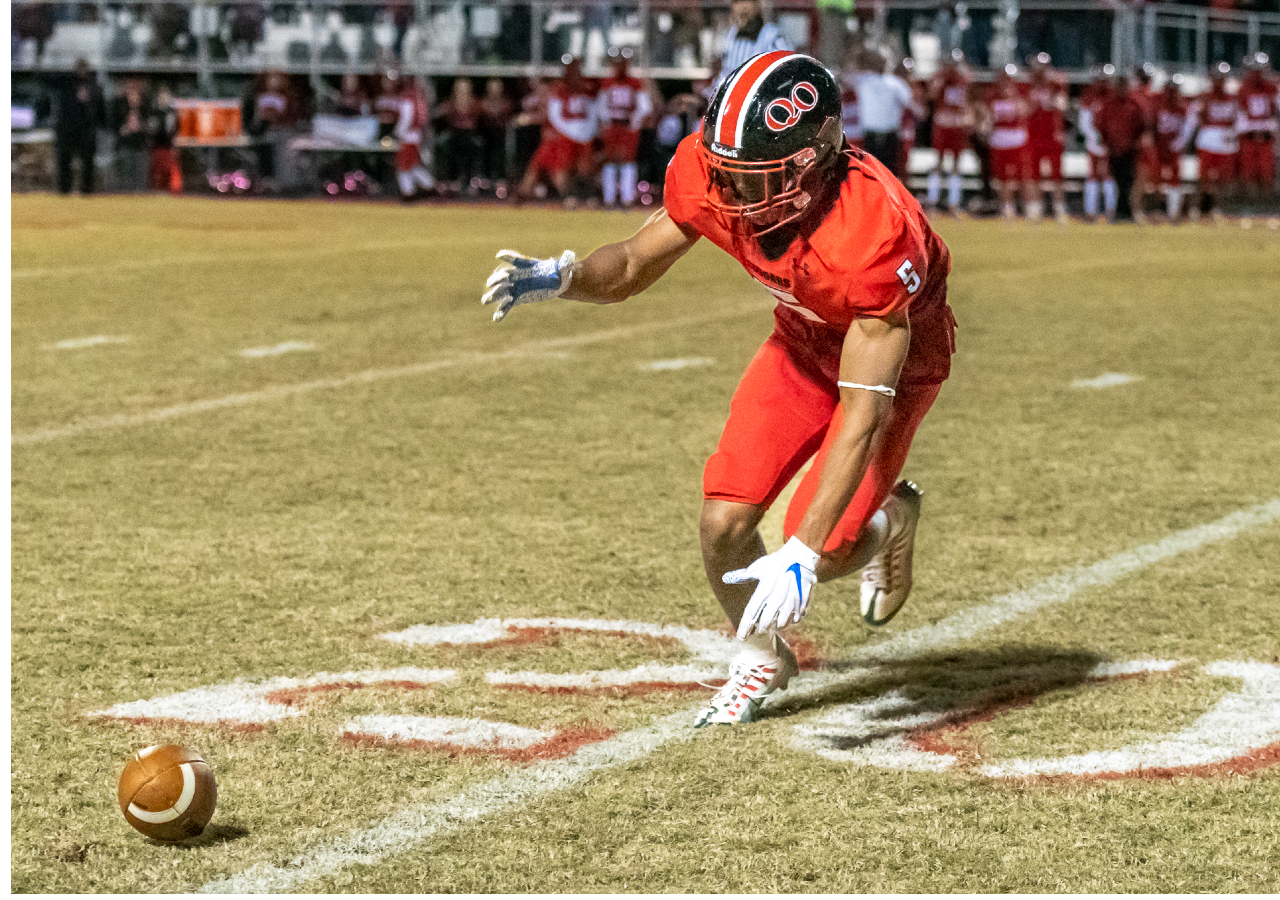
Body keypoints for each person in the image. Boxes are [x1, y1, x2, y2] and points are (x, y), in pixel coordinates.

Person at [481, 51, 956, 728]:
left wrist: (801, 551)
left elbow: (862, 415)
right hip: (801, 341)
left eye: (748, 179)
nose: (728, 193)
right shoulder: (715, 168)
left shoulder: (871, 235)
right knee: (723, 523)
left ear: (810, 162)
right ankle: (760, 656)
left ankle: (887, 526)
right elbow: (634, 262)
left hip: (893, 368)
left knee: (822, 549)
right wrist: (567, 278)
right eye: (725, 172)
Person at [516, 58, 597, 206]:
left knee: (567, 171)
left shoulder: (559, 91)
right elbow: (547, 115)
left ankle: (574, 197)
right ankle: (522, 197)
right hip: (552, 139)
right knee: (537, 168)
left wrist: (529, 118)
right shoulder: (556, 92)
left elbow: (546, 115)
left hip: (562, 139)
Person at [597, 51, 654, 209]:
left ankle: (627, 198)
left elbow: (644, 107)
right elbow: (601, 106)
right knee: (610, 160)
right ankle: (608, 199)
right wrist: (606, 123)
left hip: (628, 126)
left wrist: (635, 121)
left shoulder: (635, 83)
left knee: (628, 160)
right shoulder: (607, 83)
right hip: (612, 126)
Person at [1185, 62, 1240, 222]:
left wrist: (1233, 135)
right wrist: (1187, 141)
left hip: (1225, 140)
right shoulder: (1204, 97)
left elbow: (1237, 119)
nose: (1219, 81)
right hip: (1208, 139)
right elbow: (1192, 120)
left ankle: (1218, 208)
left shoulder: (1232, 97)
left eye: (1222, 78)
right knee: (1204, 177)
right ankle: (1199, 207)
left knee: (1222, 178)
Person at [853, 49, 915, 179]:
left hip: (890, 136)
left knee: (889, 174)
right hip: (869, 135)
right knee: (868, 173)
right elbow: (845, 78)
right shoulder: (863, 80)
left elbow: (911, 104)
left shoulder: (896, 84)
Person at [376, 69, 435, 200]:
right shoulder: (415, 95)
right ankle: (429, 187)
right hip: (413, 136)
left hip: (408, 137)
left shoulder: (407, 96)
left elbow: (407, 119)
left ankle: (408, 193)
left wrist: (398, 133)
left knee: (403, 167)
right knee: (412, 165)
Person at [1096, 75, 1147, 222]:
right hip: (1113, 151)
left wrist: (1133, 145)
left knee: (1128, 182)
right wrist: (1109, 146)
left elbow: (1141, 128)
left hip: (1130, 151)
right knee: (1116, 182)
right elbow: (1102, 128)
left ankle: (1126, 211)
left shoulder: (1135, 105)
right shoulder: (1108, 105)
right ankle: (1118, 211)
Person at [1024, 53, 1068, 223]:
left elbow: (1062, 104)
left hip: (1052, 135)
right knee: (1034, 174)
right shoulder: (1029, 85)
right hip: (1034, 134)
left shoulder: (1056, 83)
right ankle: (1035, 209)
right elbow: (1025, 109)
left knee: (1056, 175)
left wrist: (1050, 102)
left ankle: (1059, 209)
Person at [926, 50, 971, 215]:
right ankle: (933, 200)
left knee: (956, 164)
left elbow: (967, 100)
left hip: (957, 124)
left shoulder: (963, 80)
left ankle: (954, 202)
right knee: (938, 161)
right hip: (943, 123)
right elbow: (931, 95)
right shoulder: (941, 80)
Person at [987, 66, 1032, 220]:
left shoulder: (1021, 95)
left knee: (1022, 176)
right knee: (1003, 178)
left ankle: (1027, 207)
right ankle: (1007, 208)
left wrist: (1015, 98)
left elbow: (1026, 111)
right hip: (1000, 140)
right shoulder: (993, 96)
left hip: (1016, 139)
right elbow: (988, 117)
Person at [54, 59, 105, 195]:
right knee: (65, 160)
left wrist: (102, 124)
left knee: (88, 162)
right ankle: (64, 189)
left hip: (86, 129)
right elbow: (47, 79)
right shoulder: (66, 84)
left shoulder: (94, 86)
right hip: (67, 128)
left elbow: (100, 108)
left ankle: (87, 190)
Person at [716, 0, 791, 90]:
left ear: (759, 4)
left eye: (747, 1)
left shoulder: (773, 36)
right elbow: (725, 75)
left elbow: (787, 75)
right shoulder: (732, 34)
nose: (742, 8)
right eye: (737, 2)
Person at [1236, 53, 1278, 200]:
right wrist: (1254, 128)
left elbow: (1275, 113)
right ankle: (1249, 201)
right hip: (1250, 134)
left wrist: (1267, 128)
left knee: (1267, 171)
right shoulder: (1243, 89)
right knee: (1248, 170)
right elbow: (1241, 115)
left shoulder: (1272, 88)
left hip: (1267, 135)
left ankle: (1266, 201)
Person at [1078, 68, 1118, 222]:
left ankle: (1110, 210)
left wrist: (1110, 138)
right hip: (1095, 141)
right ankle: (1090, 211)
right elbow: (1084, 124)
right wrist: (1096, 137)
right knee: (1093, 175)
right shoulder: (1089, 97)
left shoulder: (1113, 96)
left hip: (1110, 143)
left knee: (1108, 176)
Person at [1149, 79, 1191, 223]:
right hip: (1159, 146)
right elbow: (1152, 124)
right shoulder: (1158, 104)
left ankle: (1173, 213)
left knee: (1174, 180)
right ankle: (1155, 210)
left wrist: (1178, 144)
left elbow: (1187, 129)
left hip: (1174, 148)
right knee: (1155, 179)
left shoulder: (1182, 107)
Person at [111, 77, 151, 192]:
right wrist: (121, 130)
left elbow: (151, 123)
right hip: (124, 142)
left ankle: (139, 191)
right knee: (125, 168)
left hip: (140, 142)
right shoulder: (119, 106)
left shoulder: (145, 107)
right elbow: (112, 124)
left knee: (140, 170)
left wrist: (143, 126)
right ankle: (124, 191)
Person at [147, 84, 183, 195]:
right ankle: (158, 189)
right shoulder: (154, 112)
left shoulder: (172, 112)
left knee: (170, 168)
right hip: (157, 145)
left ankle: (173, 190)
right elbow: (150, 129)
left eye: (166, 96)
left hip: (169, 145)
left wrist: (176, 142)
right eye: (162, 97)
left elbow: (177, 128)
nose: (164, 99)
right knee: (157, 169)